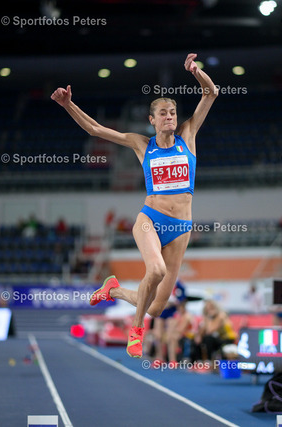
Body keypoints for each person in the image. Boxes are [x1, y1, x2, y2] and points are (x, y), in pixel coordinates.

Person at [52, 53, 218, 358]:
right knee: (155, 270)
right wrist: (68, 105)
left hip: (181, 228)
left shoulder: (188, 135)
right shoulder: (142, 144)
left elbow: (211, 93)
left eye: (173, 112)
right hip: (150, 219)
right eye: (163, 113)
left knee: (157, 306)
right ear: (152, 120)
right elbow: (95, 130)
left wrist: (196, 71)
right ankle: (137, 330)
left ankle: (113, 290)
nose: (170, 117)